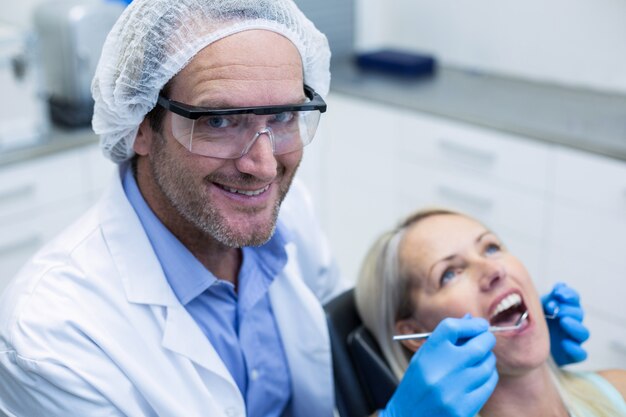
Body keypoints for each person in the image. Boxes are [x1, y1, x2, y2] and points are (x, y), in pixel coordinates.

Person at [0, 0, 589, 416]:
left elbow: (341, 355)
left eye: (281, 116)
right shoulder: (51, 337)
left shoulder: (287, 217)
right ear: (140, 129)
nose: (261, 165)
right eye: (220, 120)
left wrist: (524, 366)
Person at [355, 208, 625, 417]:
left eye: (491, 247)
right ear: (416, 334)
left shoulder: (618, 389)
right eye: (449, 274)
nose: (494, 270)